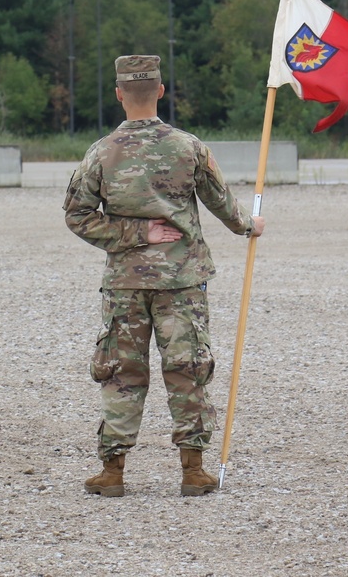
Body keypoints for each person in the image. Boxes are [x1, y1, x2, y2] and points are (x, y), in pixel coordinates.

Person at [64, 54, 265, 497]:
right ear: (160, 90)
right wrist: (250, 225)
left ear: (119, 95)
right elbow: (221, 203)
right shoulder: (188, 147)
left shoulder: (101, 152)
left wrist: (133, 232)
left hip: (126, 282)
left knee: (121, 372)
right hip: (182, 280)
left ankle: (112, 472)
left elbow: (78, 216)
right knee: (187, 370)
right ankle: (193, 470)